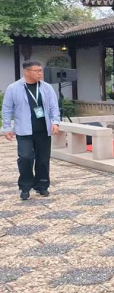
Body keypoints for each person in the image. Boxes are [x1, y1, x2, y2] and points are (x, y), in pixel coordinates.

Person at [2, 60, 62, 200]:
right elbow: (7, 109)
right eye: (37, 71)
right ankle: (25, 186)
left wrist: (55, 122)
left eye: (41, 70)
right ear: (26, 72)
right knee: (25, 157)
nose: (40, 73)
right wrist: (7, 127)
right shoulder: (13, 88)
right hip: (24, 131)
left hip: (43, 130)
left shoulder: (47, 88)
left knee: (43, 159)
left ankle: (42, 185)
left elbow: (54, 107)